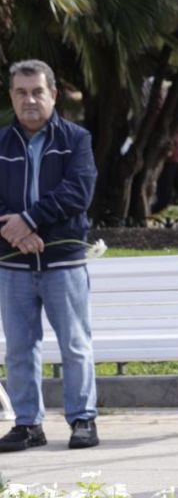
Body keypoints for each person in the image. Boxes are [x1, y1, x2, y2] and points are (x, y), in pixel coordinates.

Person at [0, 60, 99, 452]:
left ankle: (83, 420)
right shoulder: (1, 144)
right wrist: (17, 232)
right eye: (21, 92)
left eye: (37, 91)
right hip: (13, 262)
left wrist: (28, 219)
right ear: (11, 96)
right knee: (20, 346)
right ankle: (28, 424)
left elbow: (78, 192)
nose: (30, 100)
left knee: (75, 343)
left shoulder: (76, 139)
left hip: (63, 261)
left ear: (53, 95)